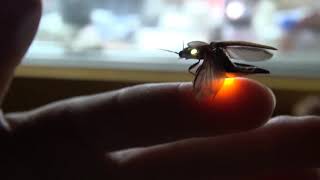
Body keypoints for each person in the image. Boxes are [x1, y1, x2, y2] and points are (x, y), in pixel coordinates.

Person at [1, 1, 320, 179]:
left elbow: (207, 74)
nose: (188, 56)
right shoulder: (206, 53)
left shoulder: (209, 56)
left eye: (188, 54)